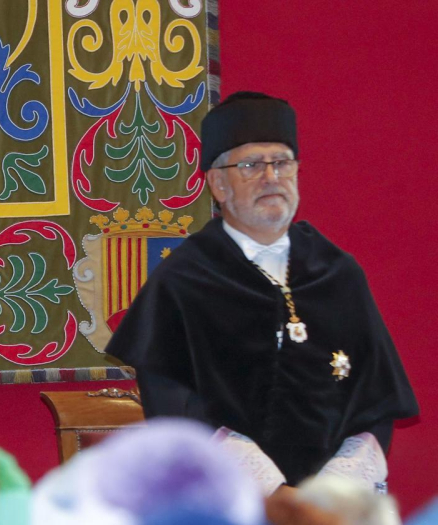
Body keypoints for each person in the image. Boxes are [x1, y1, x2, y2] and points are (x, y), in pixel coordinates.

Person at [106, 92, 417, 494]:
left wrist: (333, 492)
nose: (272, 178)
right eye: (252, 165)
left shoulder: (337, 271)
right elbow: (176, 413)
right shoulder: (182, 282)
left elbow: (375, 400)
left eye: (283, 163)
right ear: (218, 184)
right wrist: (275, 495)